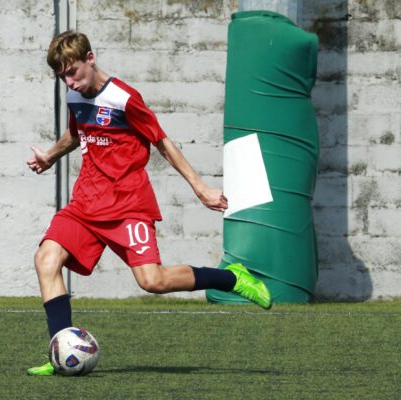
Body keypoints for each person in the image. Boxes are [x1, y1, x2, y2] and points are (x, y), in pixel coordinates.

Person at [26, 31, 272, 376]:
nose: (70, 81)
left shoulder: (125, 98)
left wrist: (200, 187)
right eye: (63, 76)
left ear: (90, 58)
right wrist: (51, 155)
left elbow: (163, 142)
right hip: (86, 202)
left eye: (73, 72)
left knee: (152, 281)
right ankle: (60, 351)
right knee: (46, 259)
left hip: (127, 204)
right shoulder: (75, 96)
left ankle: (230, 278)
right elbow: (78, 133)